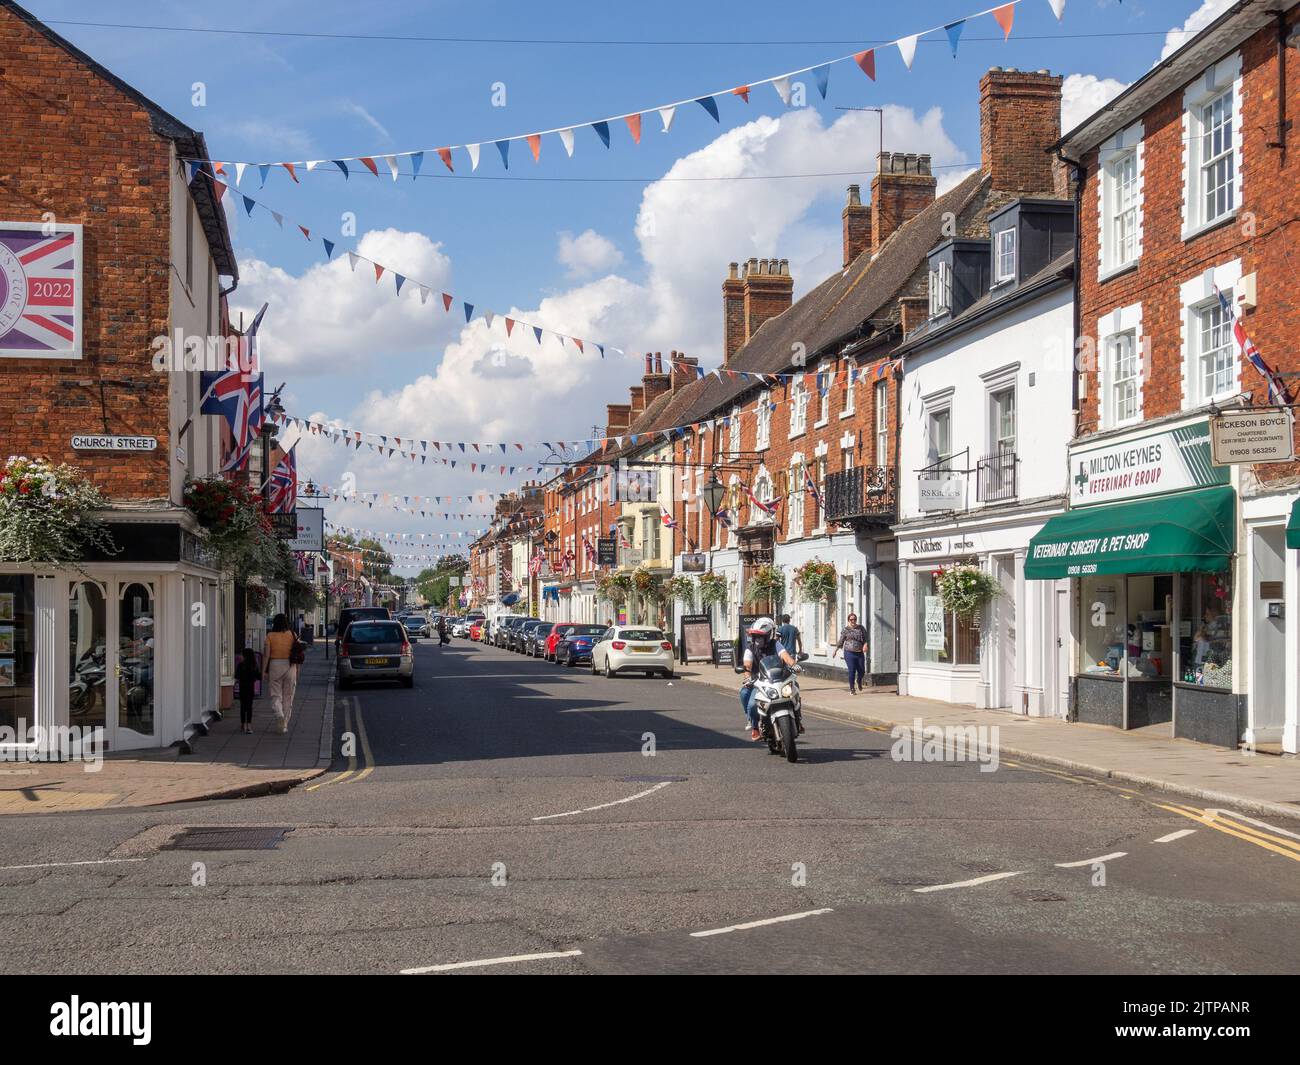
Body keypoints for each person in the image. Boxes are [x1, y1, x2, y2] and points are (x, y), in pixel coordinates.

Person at [740, 616, 801, 741]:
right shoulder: (750, 649)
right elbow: (747, 665)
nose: (757, 640)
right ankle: (755, 726)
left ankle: (798, 719)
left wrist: (794, 665)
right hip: (760, 682)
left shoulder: (776, 644)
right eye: (755, 636)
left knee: (795, 689)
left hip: (779, 678)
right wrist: (747, 678)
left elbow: (785, 656)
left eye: (760, 637)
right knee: (751, 704)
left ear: (768, 636)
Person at [262, 614, 299, 734]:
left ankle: (279, 715)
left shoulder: (270, 636)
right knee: (288, 696)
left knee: (275, 694)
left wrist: (263, 671)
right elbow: (297, 653)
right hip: (290, 666)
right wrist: (297, 670)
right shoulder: (293, 635)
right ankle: (285, 725)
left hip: (275, 665)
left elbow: (266, 655)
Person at [832, 612, 869, 694]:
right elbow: (841, 641)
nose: (853, 621)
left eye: (855, 619)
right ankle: (852, 689)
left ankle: (858, 681)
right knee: (852, 670)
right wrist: (835, 650)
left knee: (862, 671)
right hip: (849, 653)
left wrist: (865, 645)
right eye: (851, 619)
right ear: (848, 620)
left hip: (859, 653)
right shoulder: (846, 630)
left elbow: (866, 639)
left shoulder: (861, 628)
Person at [234, 648, 259, 735]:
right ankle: (249, 725)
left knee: (243, 706)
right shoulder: (254, 665)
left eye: (242, 654)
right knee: (249, 707)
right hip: (250, 688)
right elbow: (258, 676)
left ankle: (242, 724)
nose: (241, 656)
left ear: (245, 656)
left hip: (242, 688)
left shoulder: (241, 665)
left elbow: (237, 676)